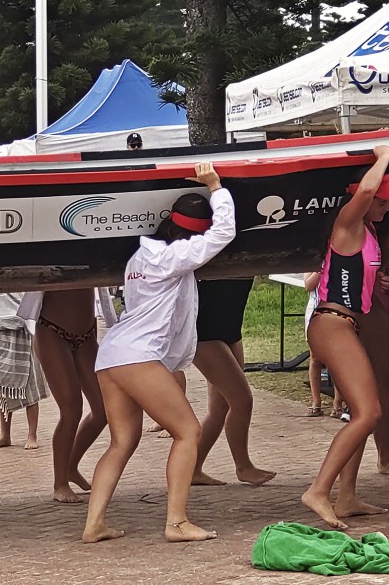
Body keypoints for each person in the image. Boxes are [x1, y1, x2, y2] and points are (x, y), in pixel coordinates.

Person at [82, 163, 236, 544]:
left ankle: (94, 524)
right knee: (188, 431)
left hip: (112, 353)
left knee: (121, 442)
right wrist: (216, 186)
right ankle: (176, 521)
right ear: (190, 236)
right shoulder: (174, 256)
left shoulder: (139, 258)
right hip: (137, 355)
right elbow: (224, 233)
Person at [300, 146, 389, 528]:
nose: (388, 206)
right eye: (383, 201)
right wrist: (383, 157)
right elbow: (365, 192)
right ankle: (319, 490)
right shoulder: (349, 222)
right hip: (332, 323)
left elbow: (355, 278)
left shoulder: (369, 232)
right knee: (368, 413)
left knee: (366, 409)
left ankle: (346, 496)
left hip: (345, 322)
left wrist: (376, 282)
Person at [27, 289, 112, 503]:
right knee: (71, 410)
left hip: (87, 333)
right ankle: (60, 483)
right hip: (52, 330)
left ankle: (71, 467)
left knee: (104, 409)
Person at [191, 279, 276, 487]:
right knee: (242, 401)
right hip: (204, 334)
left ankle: (192, 469)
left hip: (229, 329)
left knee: (219, 408)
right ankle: (243, 467)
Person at [0, 292, 43, 451]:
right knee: (2, 386)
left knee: (29, 386)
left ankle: (32, 435)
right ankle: (5, 435)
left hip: (21, 329)